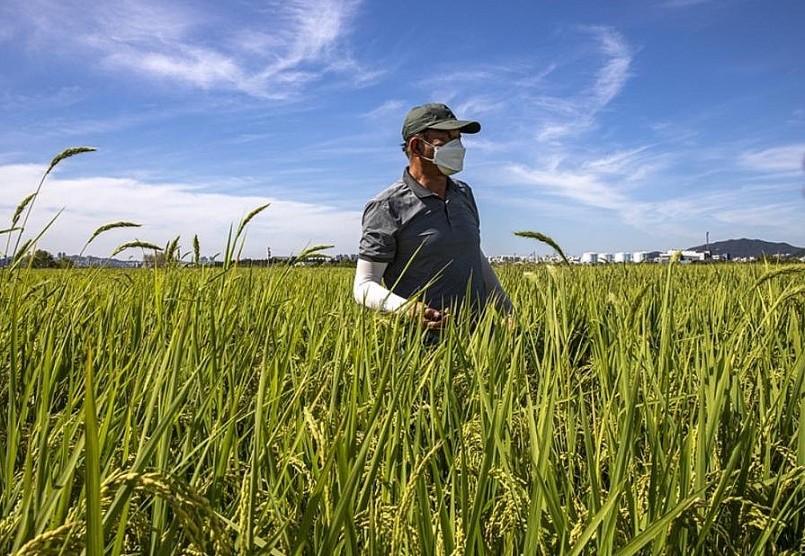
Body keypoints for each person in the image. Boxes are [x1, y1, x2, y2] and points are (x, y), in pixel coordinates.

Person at [353, 102, 512, 331]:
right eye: (447, 140)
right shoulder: (386, 207)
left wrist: (506, 311)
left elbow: (473, 254)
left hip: (479, 341)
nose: (458, 147)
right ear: (417, 146)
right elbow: (364, 285)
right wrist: (408, 309)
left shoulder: (464, 193)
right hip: (423, 348)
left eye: (458, 139)